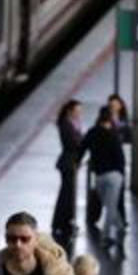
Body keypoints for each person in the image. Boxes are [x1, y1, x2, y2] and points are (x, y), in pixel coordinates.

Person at [83, 106, 126, 250]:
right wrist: (122, 176)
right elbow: (121, 158)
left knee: (109, 206)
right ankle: (115, 232)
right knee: (111, 206)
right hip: (114, 176)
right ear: (110, 118)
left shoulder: (92, 132)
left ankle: (111, 234)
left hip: (99, 176)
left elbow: (81, 148)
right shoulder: (114, 135)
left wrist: (76, 161)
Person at [51, 100, 85, 244]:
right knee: (67, 194)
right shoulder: (66, 124)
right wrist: (82, 142)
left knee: (68, 193)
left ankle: (63, 222)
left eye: (80, 111)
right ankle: (62, 223)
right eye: (77, 110)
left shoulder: (72, 123)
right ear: (69, 110)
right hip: (68, 163)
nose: (79, 113)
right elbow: (73, 143)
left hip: (71, 163)